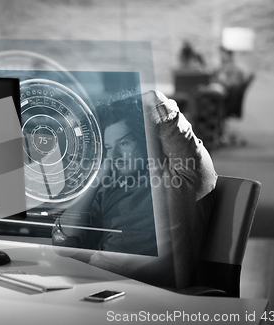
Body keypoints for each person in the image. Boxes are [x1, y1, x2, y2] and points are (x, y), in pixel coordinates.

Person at [51, 90, 217, 290]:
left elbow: (157, 103)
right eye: (109, 147)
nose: (115, 156)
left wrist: (134, 105)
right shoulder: (109, 186)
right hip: (93, 286)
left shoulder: (183, 176)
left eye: (124, 143)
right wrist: (95, 182)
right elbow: (64, 244)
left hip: (147, 298)